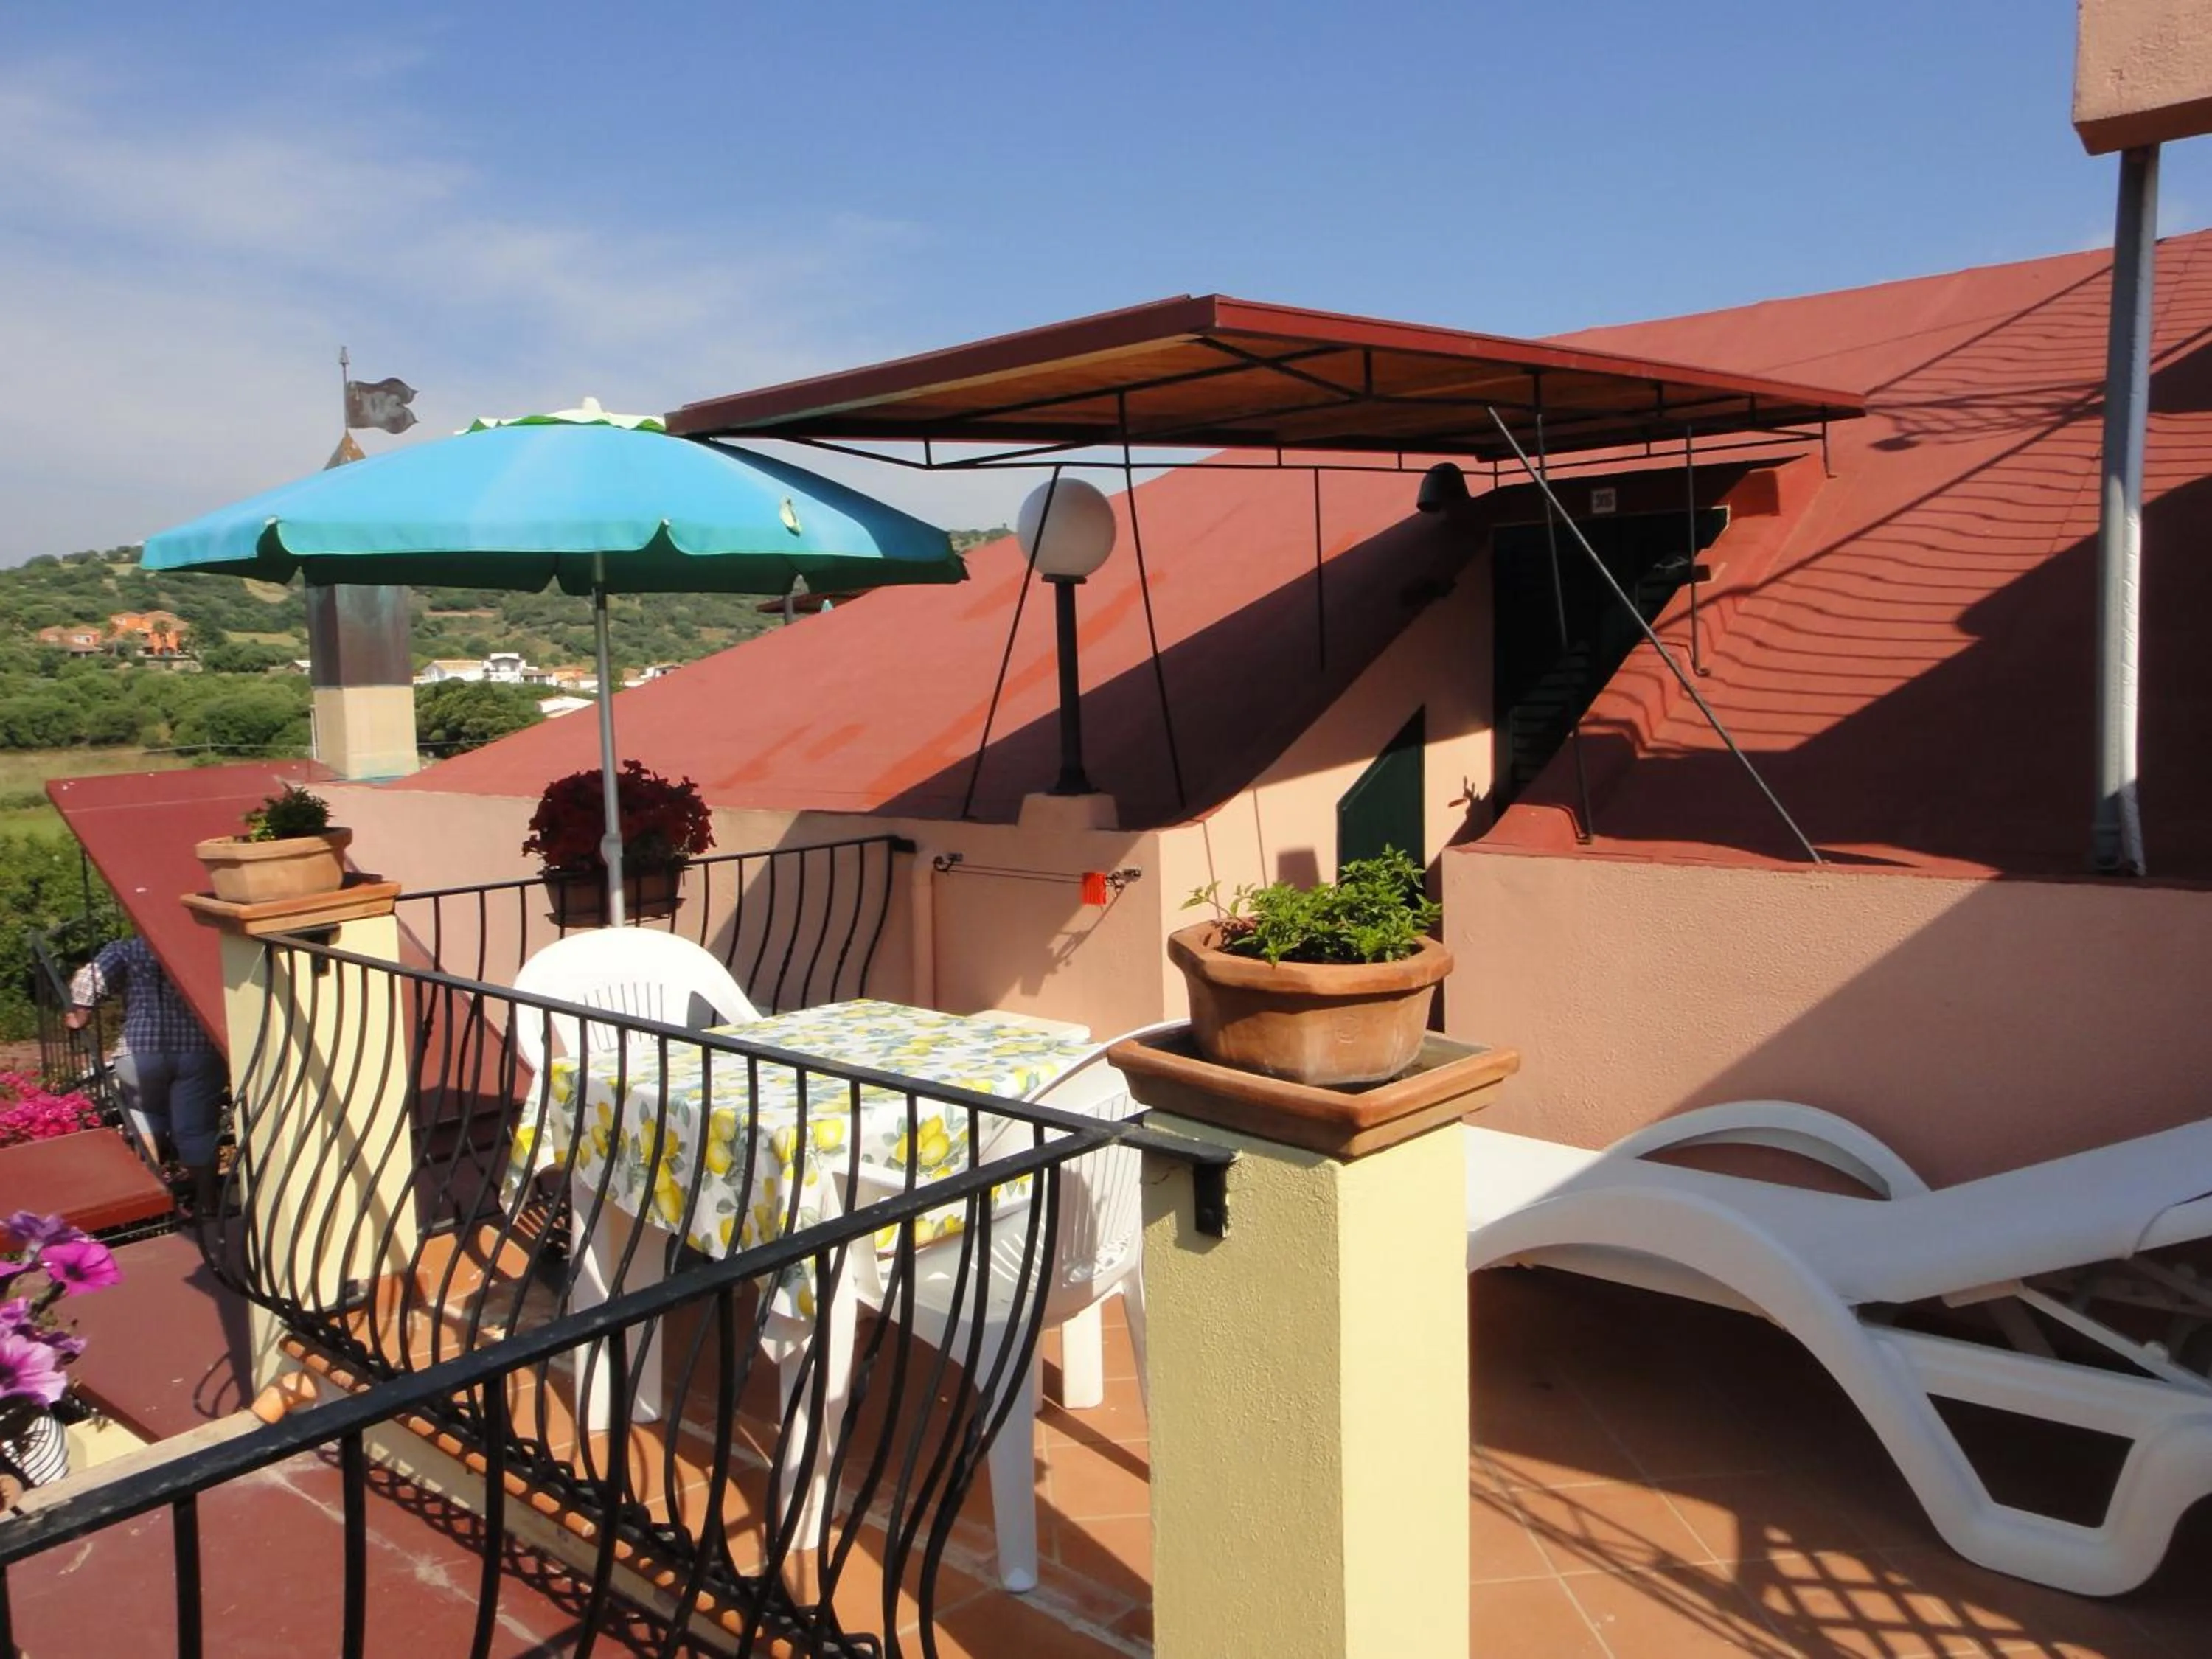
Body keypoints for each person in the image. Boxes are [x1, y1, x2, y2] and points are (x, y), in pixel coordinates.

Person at [65, 936, 224, 1211]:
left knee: (145, 1120)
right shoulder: (203, 944)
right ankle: (208, 1205)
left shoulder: (128, 947)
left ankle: (153, 1207)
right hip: (197, 1048)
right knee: (196, 1130)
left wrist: (82, 1015)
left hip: (139, 1051)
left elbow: (88, 980)